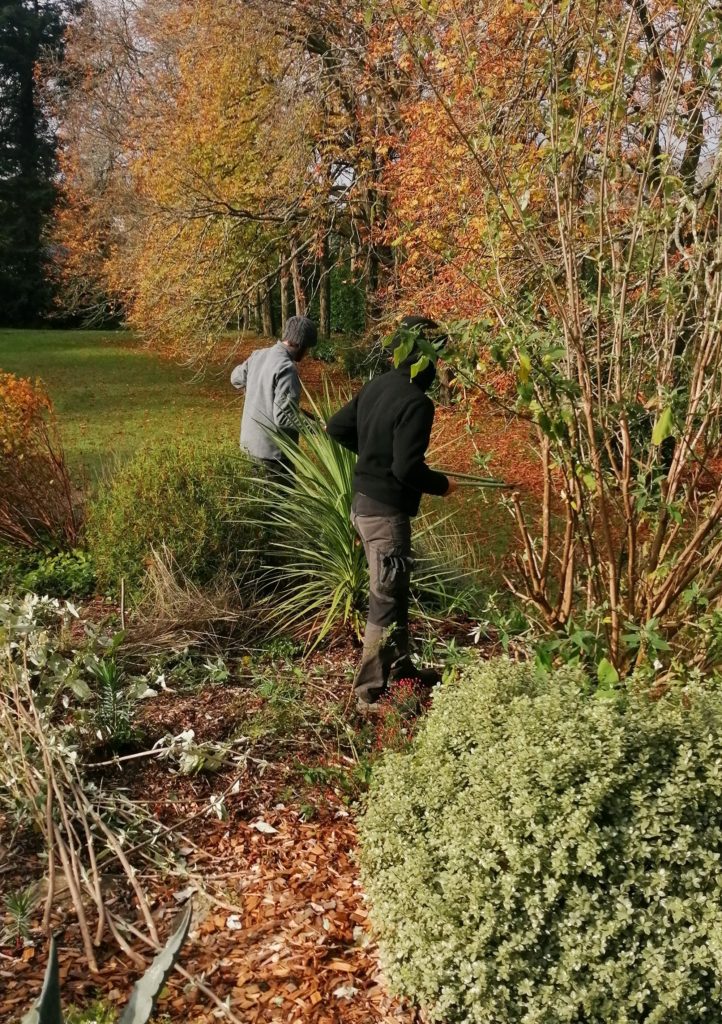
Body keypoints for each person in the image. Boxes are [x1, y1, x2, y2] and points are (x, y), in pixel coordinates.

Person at [326, 315, 457, 714]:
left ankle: (401, 672)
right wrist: (442, 485)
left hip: (363, 506)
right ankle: (368, 693)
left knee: (395, 593)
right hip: (385, 517)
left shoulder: (378, 386)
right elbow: (407, 470)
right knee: (385, 599)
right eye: (440, 356)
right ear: (428, 358)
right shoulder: (417, 402)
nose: (442, 366)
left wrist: (372, 459)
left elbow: (336, 427)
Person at [230, 315, 317, 480]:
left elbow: (235, 377)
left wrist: (255, 392)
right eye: (307, 348)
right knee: (279, 506)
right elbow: (284, 418)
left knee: (256, 504)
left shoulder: (258, 356)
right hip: (274, 457)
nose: (307, 353)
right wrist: (317, 429)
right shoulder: (286, 368)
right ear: (299, 344)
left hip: (249, 449)